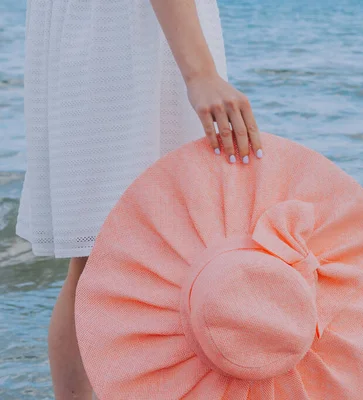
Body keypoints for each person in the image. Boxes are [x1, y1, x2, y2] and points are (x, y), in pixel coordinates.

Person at [15, 0, 262, 398]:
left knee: (96, 263)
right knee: (165, 254)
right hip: (129, 36)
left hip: (94, 30)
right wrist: (200, 73)